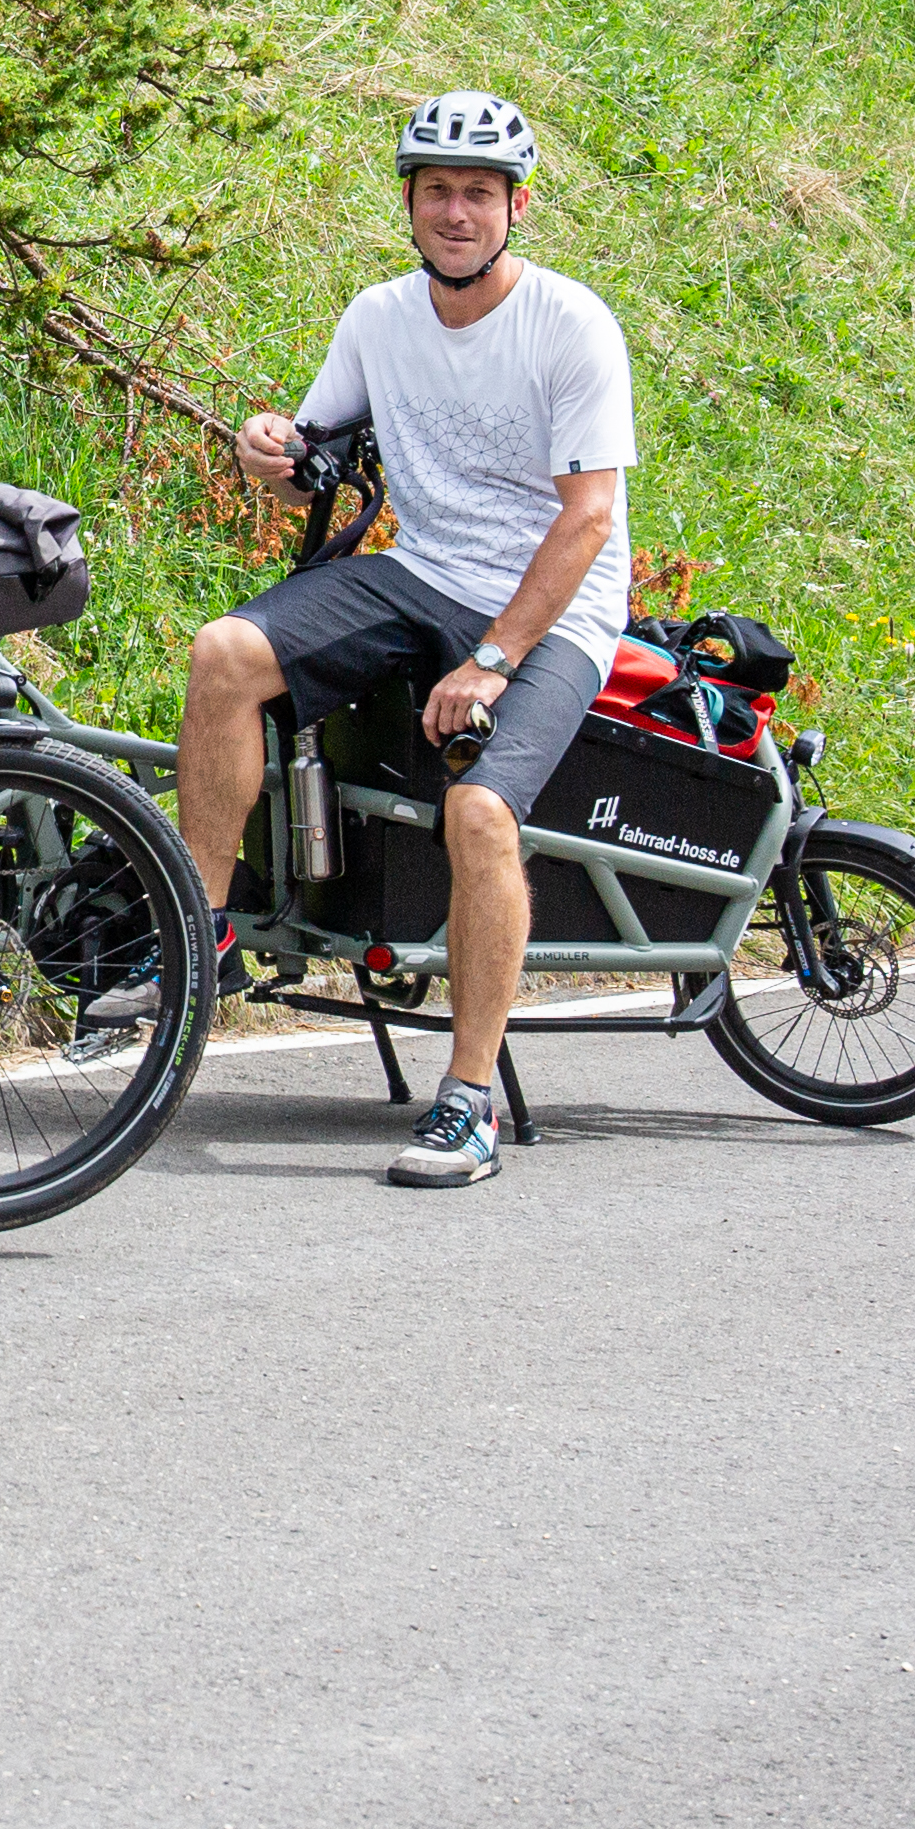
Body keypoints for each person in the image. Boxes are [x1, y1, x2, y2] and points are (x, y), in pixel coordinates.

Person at [171, 89, 635, 1188]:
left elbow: (588, 521)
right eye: (437, 192)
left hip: (554, 607)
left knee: (478, 814)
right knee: (224, 654)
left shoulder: (570, 324)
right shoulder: (379, 317)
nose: (456, 212)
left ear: (516, 208)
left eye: (478, 193)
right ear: (411, 203)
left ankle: (468, 1101)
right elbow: (307, 466)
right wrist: (266, 449)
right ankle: (202, 938)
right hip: (421, 572)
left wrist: (494, 660)